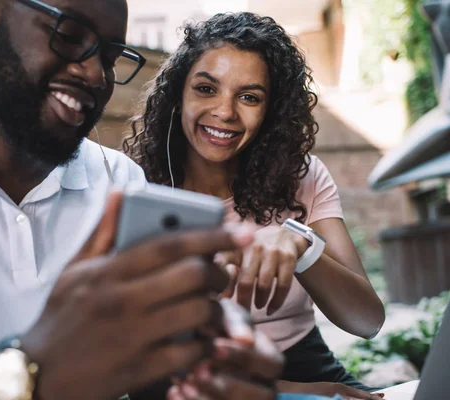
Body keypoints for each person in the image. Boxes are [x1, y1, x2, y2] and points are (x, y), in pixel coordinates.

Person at [0, 1, 289, 399]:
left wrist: (196, 364)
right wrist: (26, 374)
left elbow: (145, 379)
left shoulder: (120, 183)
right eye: (69, 34)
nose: (97, 74)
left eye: (111, 56)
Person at [124, 12, 386, 400]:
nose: (226, 112)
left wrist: (302, 246)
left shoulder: (303, 176)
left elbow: (366, 321)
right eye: (206, 89)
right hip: (190, 384)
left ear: (271, 111)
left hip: (305, 360)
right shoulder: (136, 189)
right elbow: (142, 361)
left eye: (249, 97)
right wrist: (298, 393)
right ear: (179, 95)